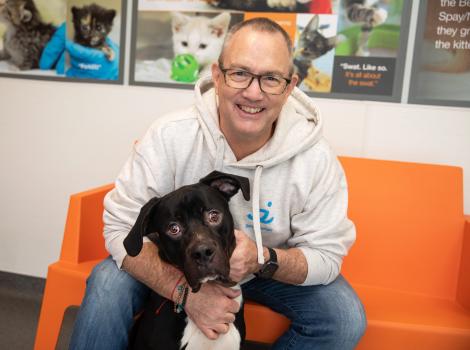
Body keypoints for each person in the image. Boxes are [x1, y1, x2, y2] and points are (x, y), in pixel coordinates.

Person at [70, 17, 366, 350]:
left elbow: (326, 256)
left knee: (343, 316)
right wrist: (183, 292)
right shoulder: (171, 136)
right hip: (179, 262)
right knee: (108, 282)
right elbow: (118, 229)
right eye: (239, 73)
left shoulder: (315, 159)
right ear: (216, 75)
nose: (253, 92)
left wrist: (261, 258)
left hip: (265, 272)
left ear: (289, 86)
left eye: (270, 78)